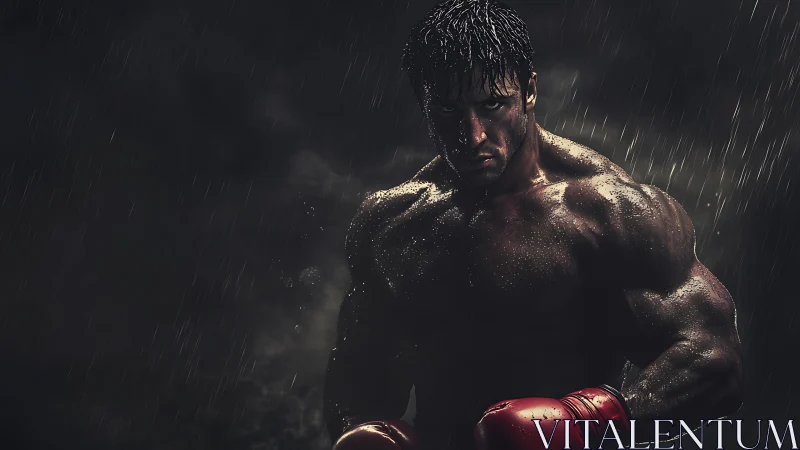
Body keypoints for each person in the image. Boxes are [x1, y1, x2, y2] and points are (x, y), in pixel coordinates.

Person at [323, 1, 743, 449]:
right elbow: (357, 385)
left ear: (529, 91)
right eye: (446, 109)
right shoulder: (393, 224)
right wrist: (364, 431)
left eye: (492, 104)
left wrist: (585, 422)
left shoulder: (607, 212)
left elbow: (715, 362)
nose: (472, 135)